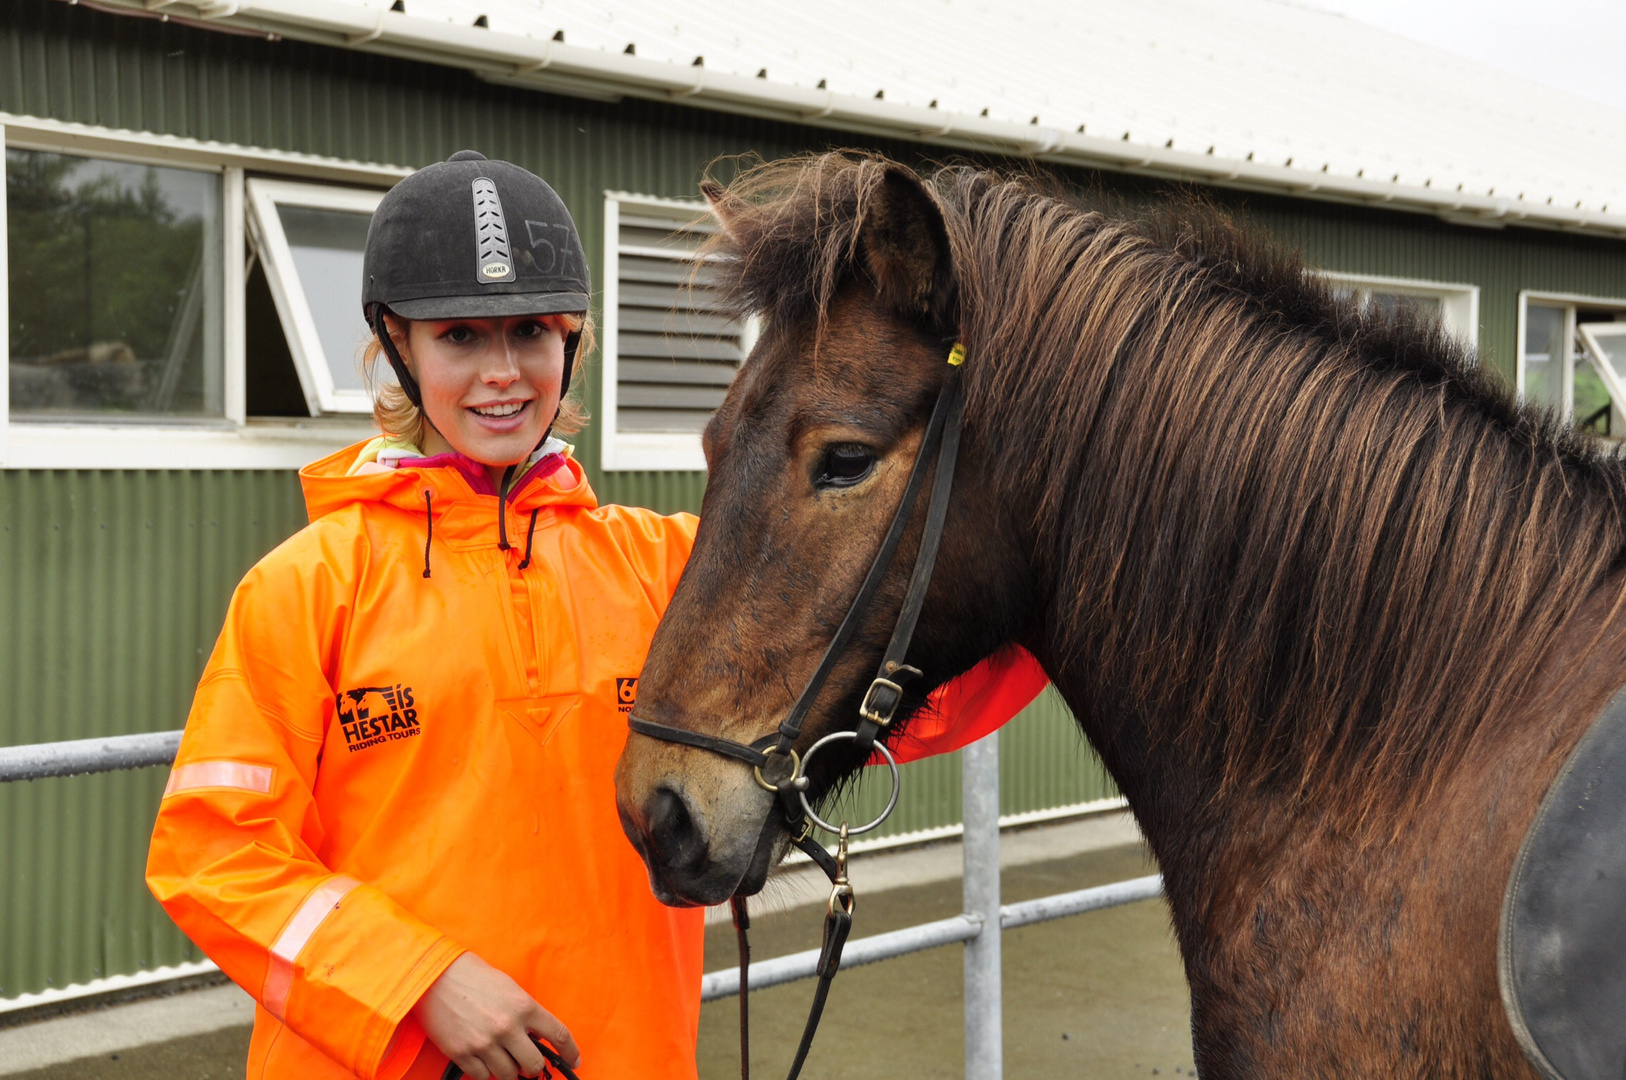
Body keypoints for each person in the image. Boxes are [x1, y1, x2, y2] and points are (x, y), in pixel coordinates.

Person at [146, 151, 1047, 1080]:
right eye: (460, 335)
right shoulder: (306, 587)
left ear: (570, 341)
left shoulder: (664, 567)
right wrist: (419, 982)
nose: (502, 373)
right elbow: (213, 854)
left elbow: (880, 676)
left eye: (531, 330)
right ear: (397, 345)